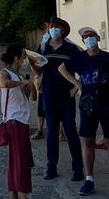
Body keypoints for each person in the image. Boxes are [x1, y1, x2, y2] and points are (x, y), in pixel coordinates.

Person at [57, 27, 109, 197]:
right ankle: (89, 179)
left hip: (108, 103)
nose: (89, 39)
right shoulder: (79, 58)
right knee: (88, 142)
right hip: (88, 105)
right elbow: (61, 68)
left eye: (91, 36)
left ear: (97, 38)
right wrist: (77, 84)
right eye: (85, 37)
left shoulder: (108, 58)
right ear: (83, 42)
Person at [36, 17, 84, 181]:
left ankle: (78, 168)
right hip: (49, 95)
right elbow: (39, 71)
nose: (53, 29)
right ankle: (51, 167)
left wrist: (75, 88)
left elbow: (83, 69)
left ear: (63, 30)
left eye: (57, 27)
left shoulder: (71, 49)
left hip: (66, 96)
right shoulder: (43, 47)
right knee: (52, 133)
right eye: (51, 27)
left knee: (70, 131)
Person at [0, 43, 38, 199]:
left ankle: (14, 193)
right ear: (17, 58)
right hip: (14, 121)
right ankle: (22, 194)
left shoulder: (21, 76)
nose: (25, 59)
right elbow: (4, 84)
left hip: (22, 121)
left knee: (18, 160)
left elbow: (32, 98)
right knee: (21, 161)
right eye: (23, 56)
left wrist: (32, 85)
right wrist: (23, 83)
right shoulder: (5, 72)